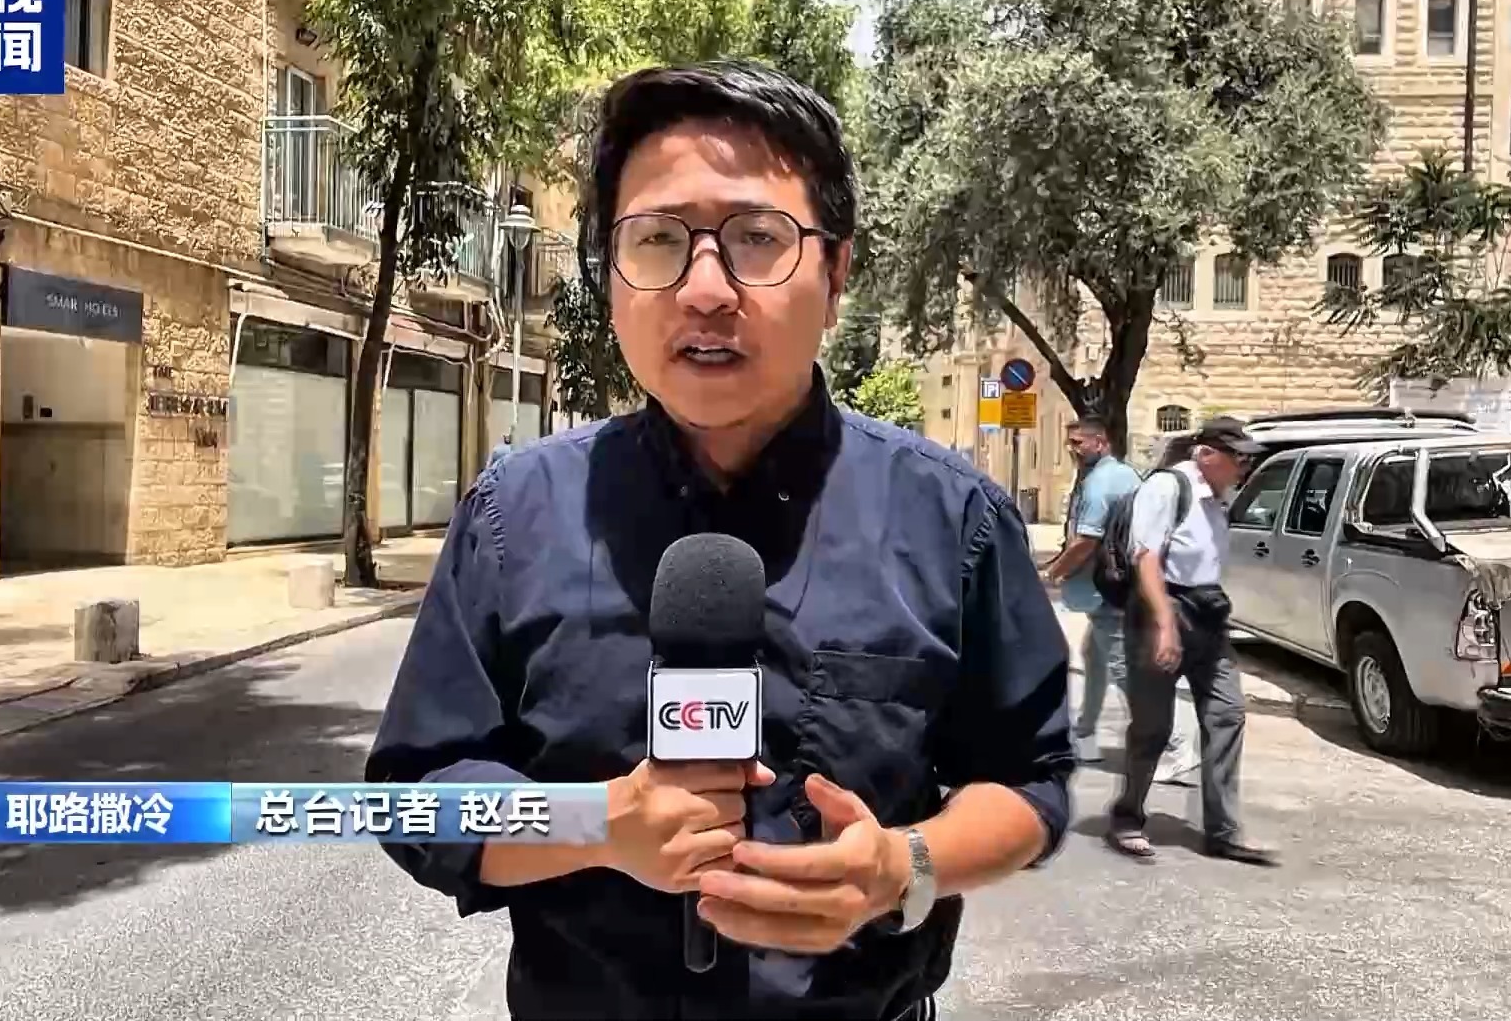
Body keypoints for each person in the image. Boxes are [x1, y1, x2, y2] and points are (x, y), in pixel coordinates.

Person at [366, 60, 1074, 1021]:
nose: (705, 289)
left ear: (837, 272)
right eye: (658, 240)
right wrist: (595, 823)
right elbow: (414, 799)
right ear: (610, 274)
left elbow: (1029, 783)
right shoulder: (513, 515)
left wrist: (902, 865)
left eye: (756, 238)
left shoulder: (953, 520)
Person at [1106, 416, 1276, 867]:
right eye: (1238, 458)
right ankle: (1127, 816)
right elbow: (1145, 558)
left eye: (1247, 460)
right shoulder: (1168, 487)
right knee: (1153, 728)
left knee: (1227, 715)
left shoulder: (1218, 498)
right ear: (1206, 454)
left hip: (1207, 615)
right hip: (1162, 610)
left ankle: (1223, 831)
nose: (1244, 468)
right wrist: (1164, 624)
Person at [1040, 418, 1138, 759]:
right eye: (1070, 443)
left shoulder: (1098, 484)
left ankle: (1172, 743)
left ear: (1100, 442)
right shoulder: (1127, 475)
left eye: (1079, 443)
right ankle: (1085, 733)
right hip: (1119, 585)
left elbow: (1086, 542)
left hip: (1105, 589)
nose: (1073, 449)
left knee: (1124, 669)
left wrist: (1054, 573)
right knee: (1094, 657)